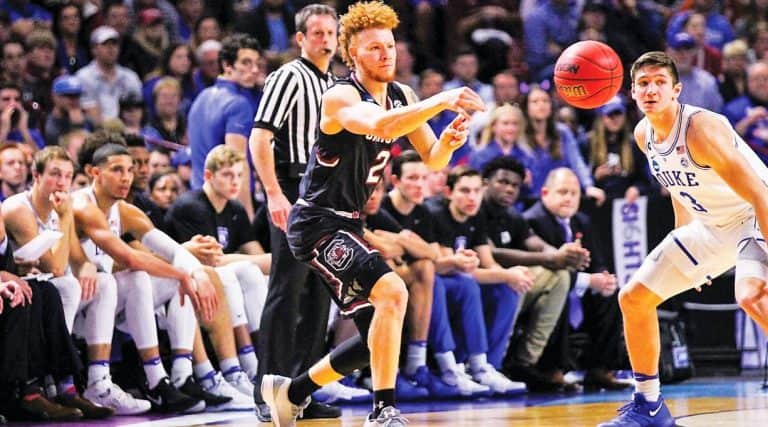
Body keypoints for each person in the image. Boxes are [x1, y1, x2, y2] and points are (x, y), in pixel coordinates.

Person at [259, 2, 485, 426]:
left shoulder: (403, 96)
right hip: (316, 223)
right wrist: (442, 100)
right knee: (394, 292)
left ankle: (291, 392)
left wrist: (450, 142)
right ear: (352, 56)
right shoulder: (341, 95)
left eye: (390, 45)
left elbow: (433, 159)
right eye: (374, 48)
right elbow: (382, 127)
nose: (386, 54)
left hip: (350, 223)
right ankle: (383, 412)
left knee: (375, 340)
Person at [599, 51, 768, 426]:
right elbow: (677, 187)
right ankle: (650, 407)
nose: (651, 89)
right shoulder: (644, 135)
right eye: (643, 83)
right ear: (632, 92)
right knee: (634, 297)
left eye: (660, 82)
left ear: (676, 90)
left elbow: (759, 193)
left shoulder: (700, 130)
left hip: (753, 214)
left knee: (751, 295)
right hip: (709, 225)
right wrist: (686, 251)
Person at [248, 3, 345, 421]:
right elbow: (259, 136)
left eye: (331, 33)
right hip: (293, 184)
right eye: (317, 33)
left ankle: (300, 392)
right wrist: (273, 193)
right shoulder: (288, 75)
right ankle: (266, 390)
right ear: (300, 39)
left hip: (327, 193)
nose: (325, 40)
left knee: (319, 295)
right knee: (287, 292)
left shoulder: (337, 84)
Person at [188, 33, 260, 220]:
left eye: (256, 63)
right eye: (246, 63)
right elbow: (237, 164)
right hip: (225, 206)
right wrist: (247, 216)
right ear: (227, 65)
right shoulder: (239, 104)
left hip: (197, 197)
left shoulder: (201, 97)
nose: (254, 70)